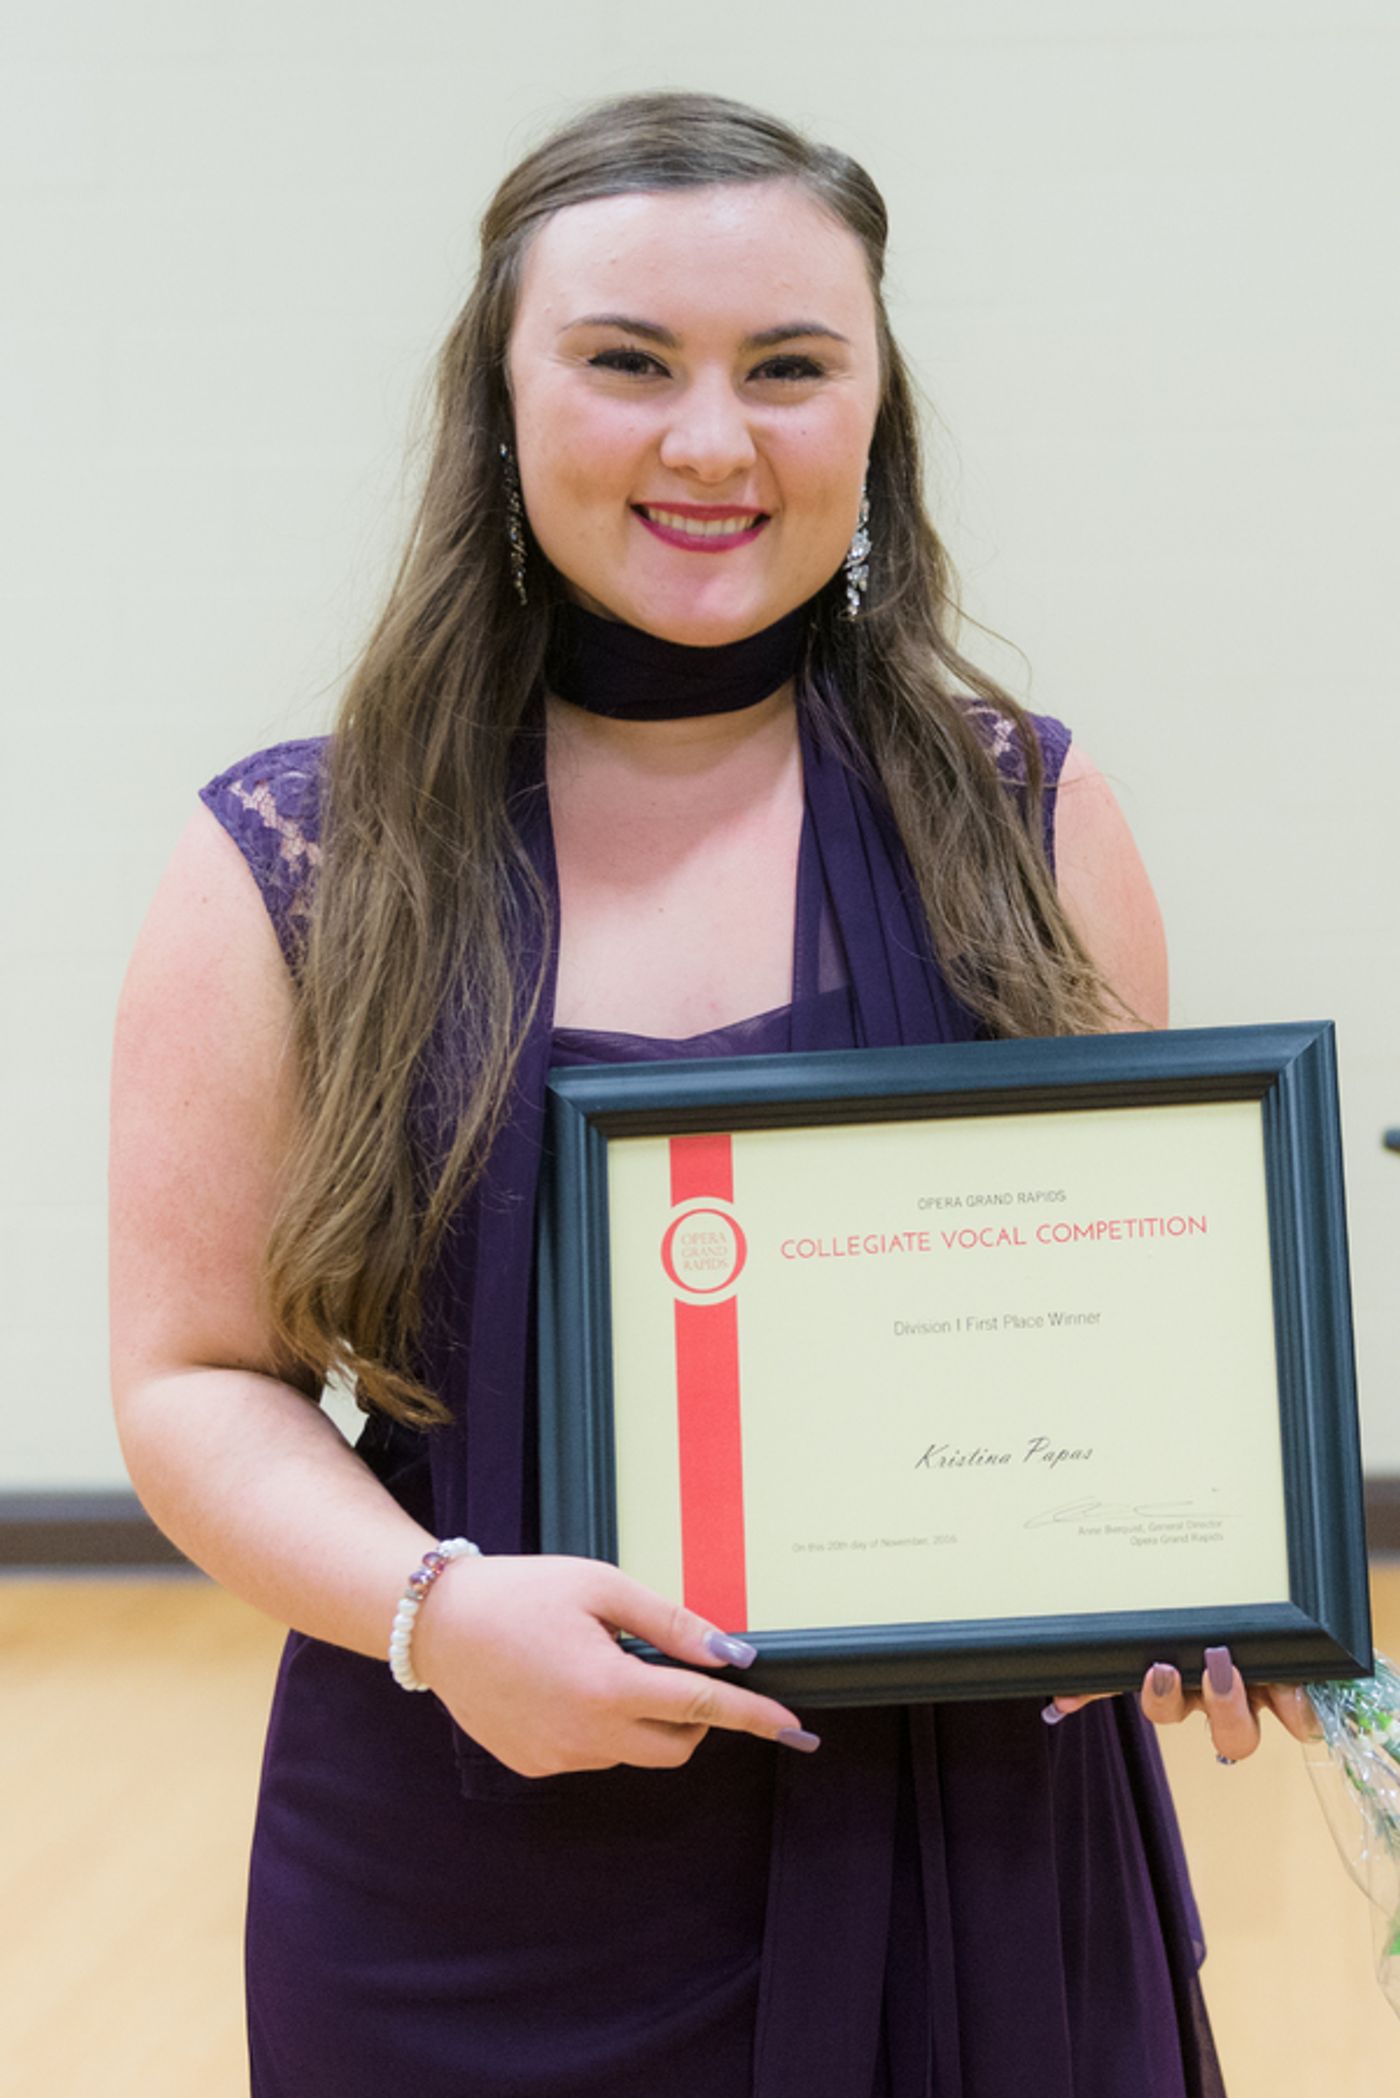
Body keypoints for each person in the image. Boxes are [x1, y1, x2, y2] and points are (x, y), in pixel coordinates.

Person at [110, 90, 1316, 2098]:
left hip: (983, 1858)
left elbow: (1139, 1330)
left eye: (785, 367)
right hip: (464, 1863)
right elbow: (188, 1376)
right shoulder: (298, 855)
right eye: (624, 361)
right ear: (497, 407)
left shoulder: (1028, 811)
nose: (707, 439)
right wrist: (431, 1612)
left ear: (874, 413)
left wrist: (1188, 1566)